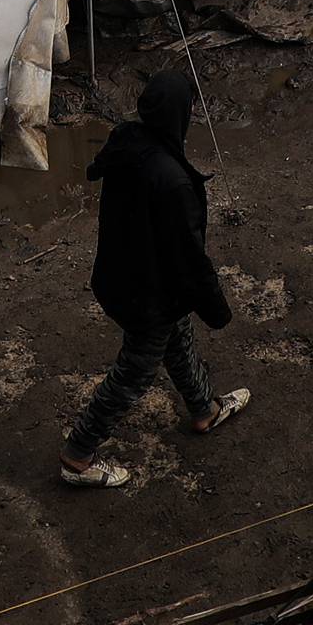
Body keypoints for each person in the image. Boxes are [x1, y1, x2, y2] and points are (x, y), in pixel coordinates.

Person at [59, 71, 249, 489]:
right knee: (134, 373)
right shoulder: (172, 180)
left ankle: (203, 409)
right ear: (180, 116)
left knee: (177, 336)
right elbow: (190, 259)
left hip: (119, 276)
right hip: (147, 294)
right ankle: (78, 455)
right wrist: (217, 309)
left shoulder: (128, 142)